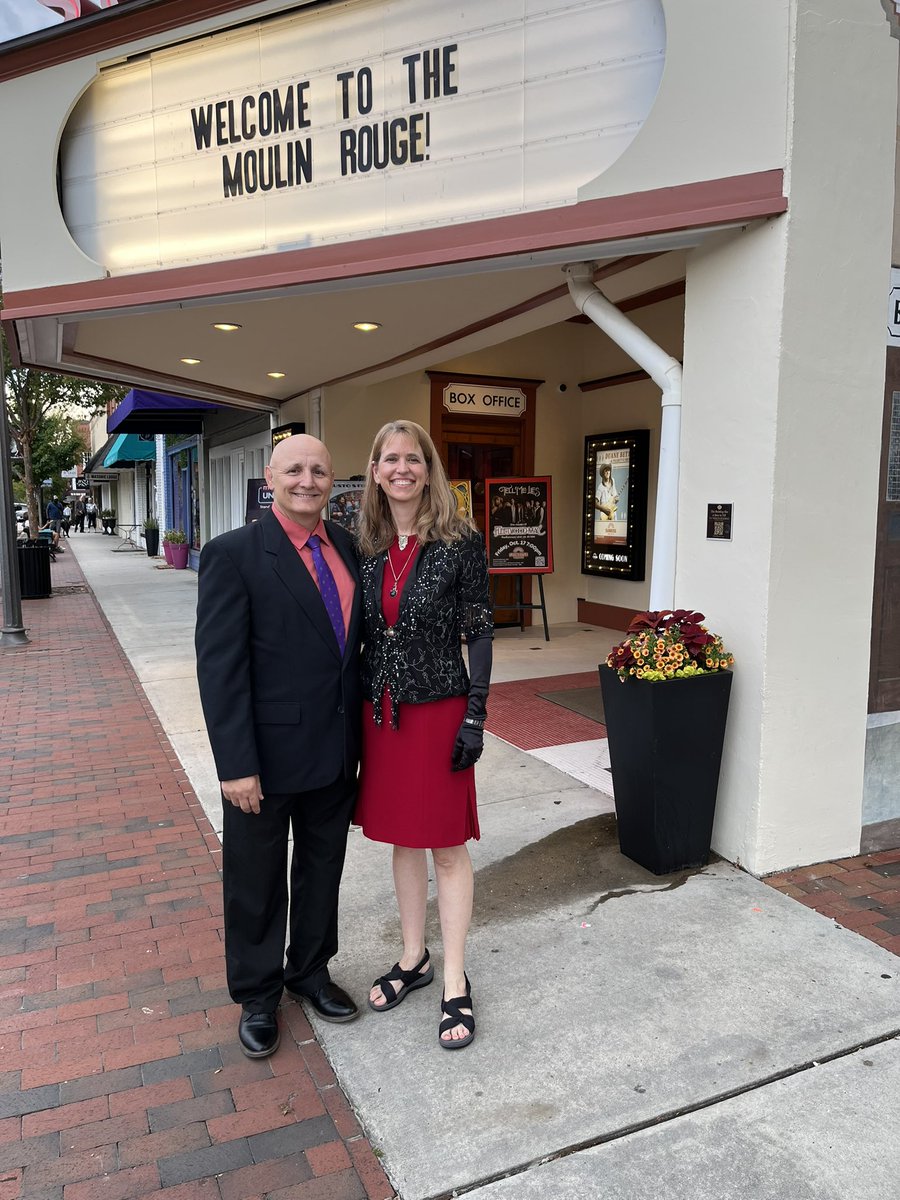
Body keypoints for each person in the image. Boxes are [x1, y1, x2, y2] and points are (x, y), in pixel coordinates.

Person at [195, 434, 363, 1058]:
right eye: (294, 469)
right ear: (270, 478)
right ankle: (259, 996)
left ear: (332, 480)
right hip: (262, 760)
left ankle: (310, 971)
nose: (307, 480)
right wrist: (235, 763)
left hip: (334, 750)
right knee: (256, 880)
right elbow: (221, 668)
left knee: (322, 869)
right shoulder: (232, 554)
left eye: (319, 470)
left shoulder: (347, 546)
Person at [355, 420, 493, 1050]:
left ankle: (455, 978)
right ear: (376, 471)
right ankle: (414, 957)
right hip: (384, 714)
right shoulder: (367, 544)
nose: (402, 468)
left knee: (446, 845)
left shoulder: (460, 541)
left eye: (413, 458)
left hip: (440, 711)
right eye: (391, 459)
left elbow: (480, 631)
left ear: (428, 468)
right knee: (403, 840)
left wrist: (476, 715)